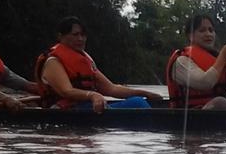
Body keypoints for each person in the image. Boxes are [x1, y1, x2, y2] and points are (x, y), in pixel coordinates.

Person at [35, 16, 163, 112]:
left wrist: (144, 93)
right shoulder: (53, 61)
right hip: (65, 110)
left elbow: (111, 89)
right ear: (60, 36)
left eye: (83, 35)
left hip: (85, 108)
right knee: (138, 104)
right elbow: (66, 91)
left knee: (138, 100)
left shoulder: (85, 60)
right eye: (75, 35)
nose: (80, 39)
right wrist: (93, 95)